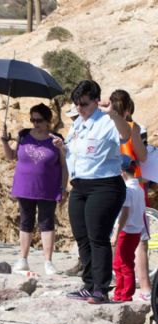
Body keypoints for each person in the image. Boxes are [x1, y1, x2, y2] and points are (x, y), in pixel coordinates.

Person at [62, 80, 131, 304]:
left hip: (105, 185)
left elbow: (126, 135)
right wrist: (60, 147)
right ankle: (89, 283)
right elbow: (75, 150)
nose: (79, 108)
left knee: (97, 236)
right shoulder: (78, 123)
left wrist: (114, 115)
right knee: (82, 236)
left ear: (96, 101)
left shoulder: (107, 121)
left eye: (83, 104)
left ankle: (101, 288)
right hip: (80, 185)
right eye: (76, 104)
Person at [1, 103, 68, 275]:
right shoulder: (23, 135)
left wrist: (63, 187)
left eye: (38, 120)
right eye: (32, 119)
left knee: (46, 223)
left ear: (47, 121)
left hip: (48, 188)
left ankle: (48, 262)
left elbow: (63, 165)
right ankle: (23, 259)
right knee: (26, 221)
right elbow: (11, 157)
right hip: (25, 187)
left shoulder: (56, 139)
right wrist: (4, 142)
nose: (35, 123)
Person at [110, 91, 151, 300]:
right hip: (112, 183)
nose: (113, 114)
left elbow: (142, 156)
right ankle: (119, 283)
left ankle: (144, 287)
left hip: (132, 184)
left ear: (126, 110)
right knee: (117, 237)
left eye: (117, 110)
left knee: (139, 238)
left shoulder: (135, 129)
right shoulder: (107, 128)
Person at [111, 155, 145, 302]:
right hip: (135, 231)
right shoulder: (139, 189)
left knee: (123, 264)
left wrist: (116, 234)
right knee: (122, 263)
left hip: (126, 231)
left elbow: (124, 214)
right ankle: (121, 293)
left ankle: (124, 295)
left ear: (122, 172)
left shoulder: (128, 191)